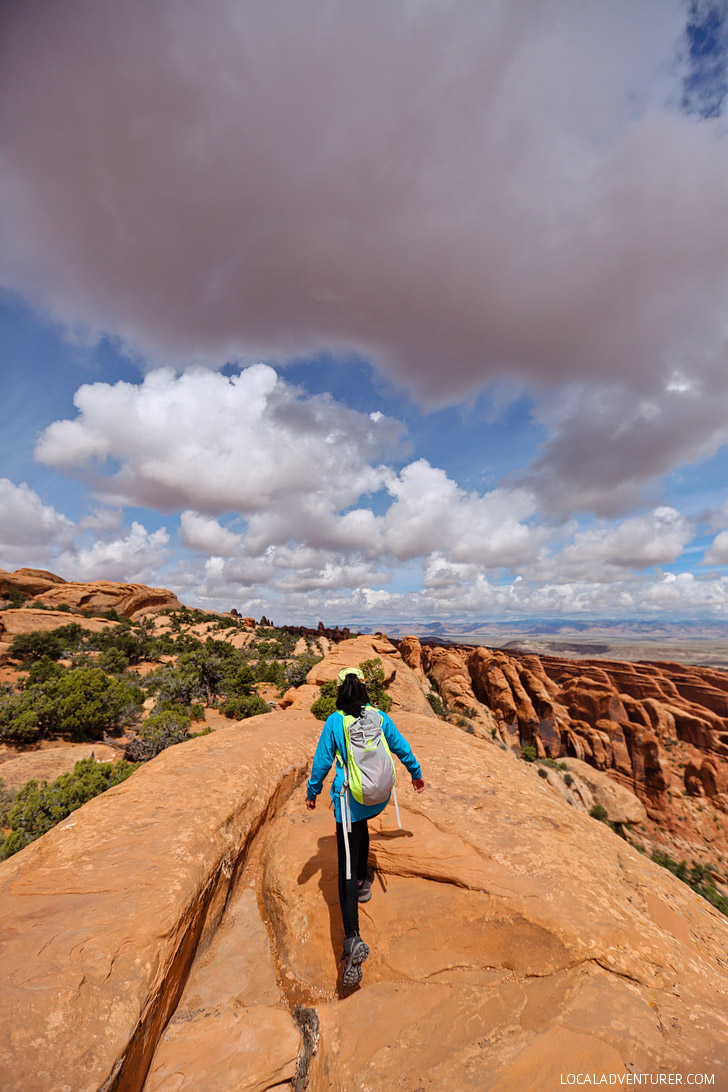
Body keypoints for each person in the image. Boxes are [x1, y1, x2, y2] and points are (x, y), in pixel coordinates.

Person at [305, 667, 425, 987]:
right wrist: (415, 773)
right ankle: (363, 882)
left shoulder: (335, 722)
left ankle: (351, 939)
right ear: (363, 690)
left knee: (345, 863)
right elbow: (400, 747)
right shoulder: (380, 717)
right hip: (376, 797)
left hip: (349, 800)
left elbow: (321, 762)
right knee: (362, 831)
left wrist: (312, 792)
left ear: (341, 692)